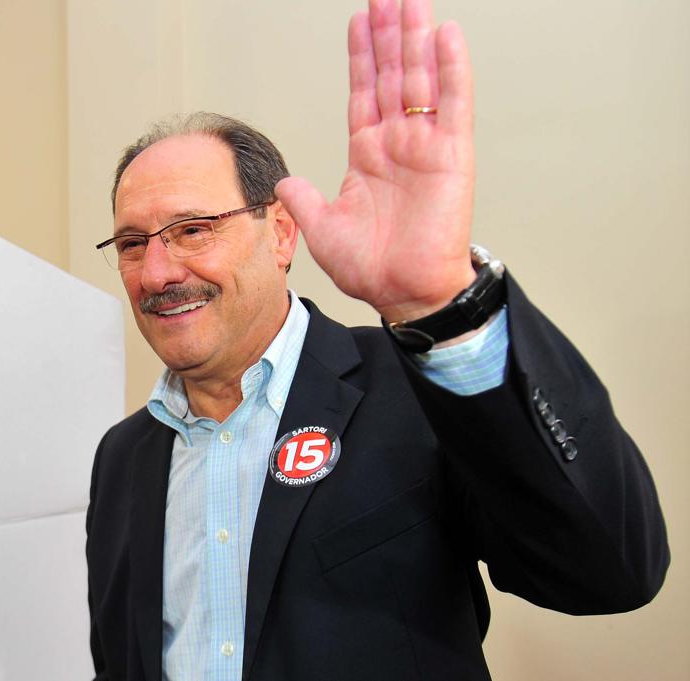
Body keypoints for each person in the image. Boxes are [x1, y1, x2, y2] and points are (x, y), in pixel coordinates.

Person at [85, 0, 669, 679]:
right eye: (133, 243)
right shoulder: (120, 458)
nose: (157, 273)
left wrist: (439, 303)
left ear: (280, 235)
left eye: (193, 230)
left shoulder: (412, 391)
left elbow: (610, 570)